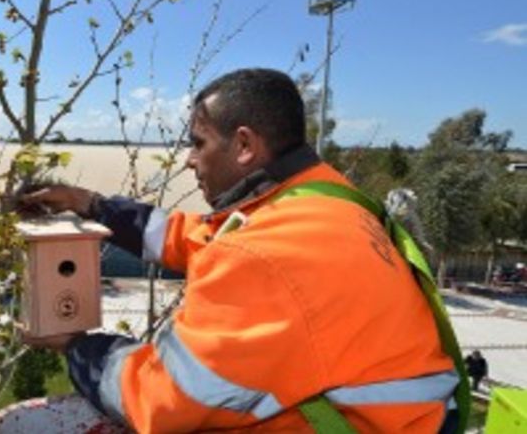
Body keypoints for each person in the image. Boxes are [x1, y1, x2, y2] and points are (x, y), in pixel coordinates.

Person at [23, 69, 461, 433]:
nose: (189, 161)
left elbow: (161, 400)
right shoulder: (326, 203)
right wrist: (91, 205)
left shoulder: (260, 256)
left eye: (198, 143)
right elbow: (195, 237)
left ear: (246, 145)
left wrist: (79, 347)